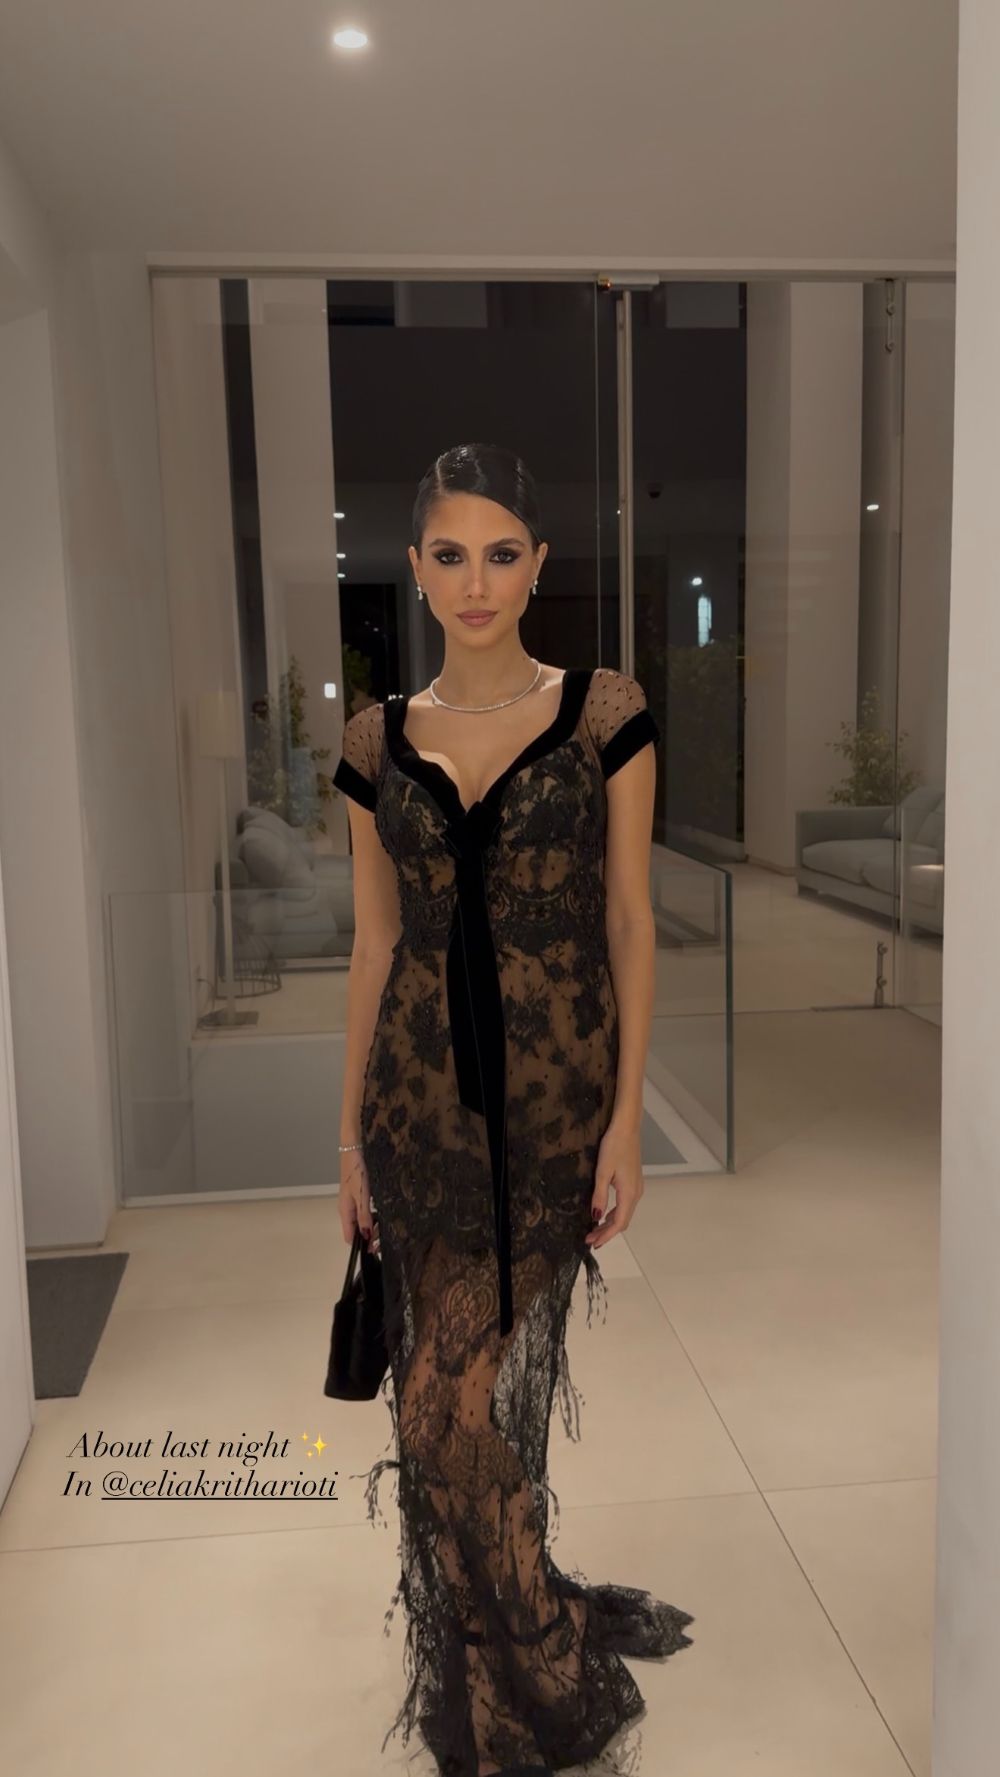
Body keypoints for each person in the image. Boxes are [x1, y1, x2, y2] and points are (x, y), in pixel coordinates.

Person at [333, 442, 694, 1777]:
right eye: (449, 555)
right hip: (416, 1112)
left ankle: (530, 1656)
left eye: (500, 554)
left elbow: (630, 921)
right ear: (416, 568)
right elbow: (375, 945)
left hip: (551, 1115)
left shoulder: (604, 712)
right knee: (431, 1414)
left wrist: (627, 1120)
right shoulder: (375, 739)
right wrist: (348, 1138)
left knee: (454, 1405)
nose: (475, 582)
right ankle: (513, 1651)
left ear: (539, 564)